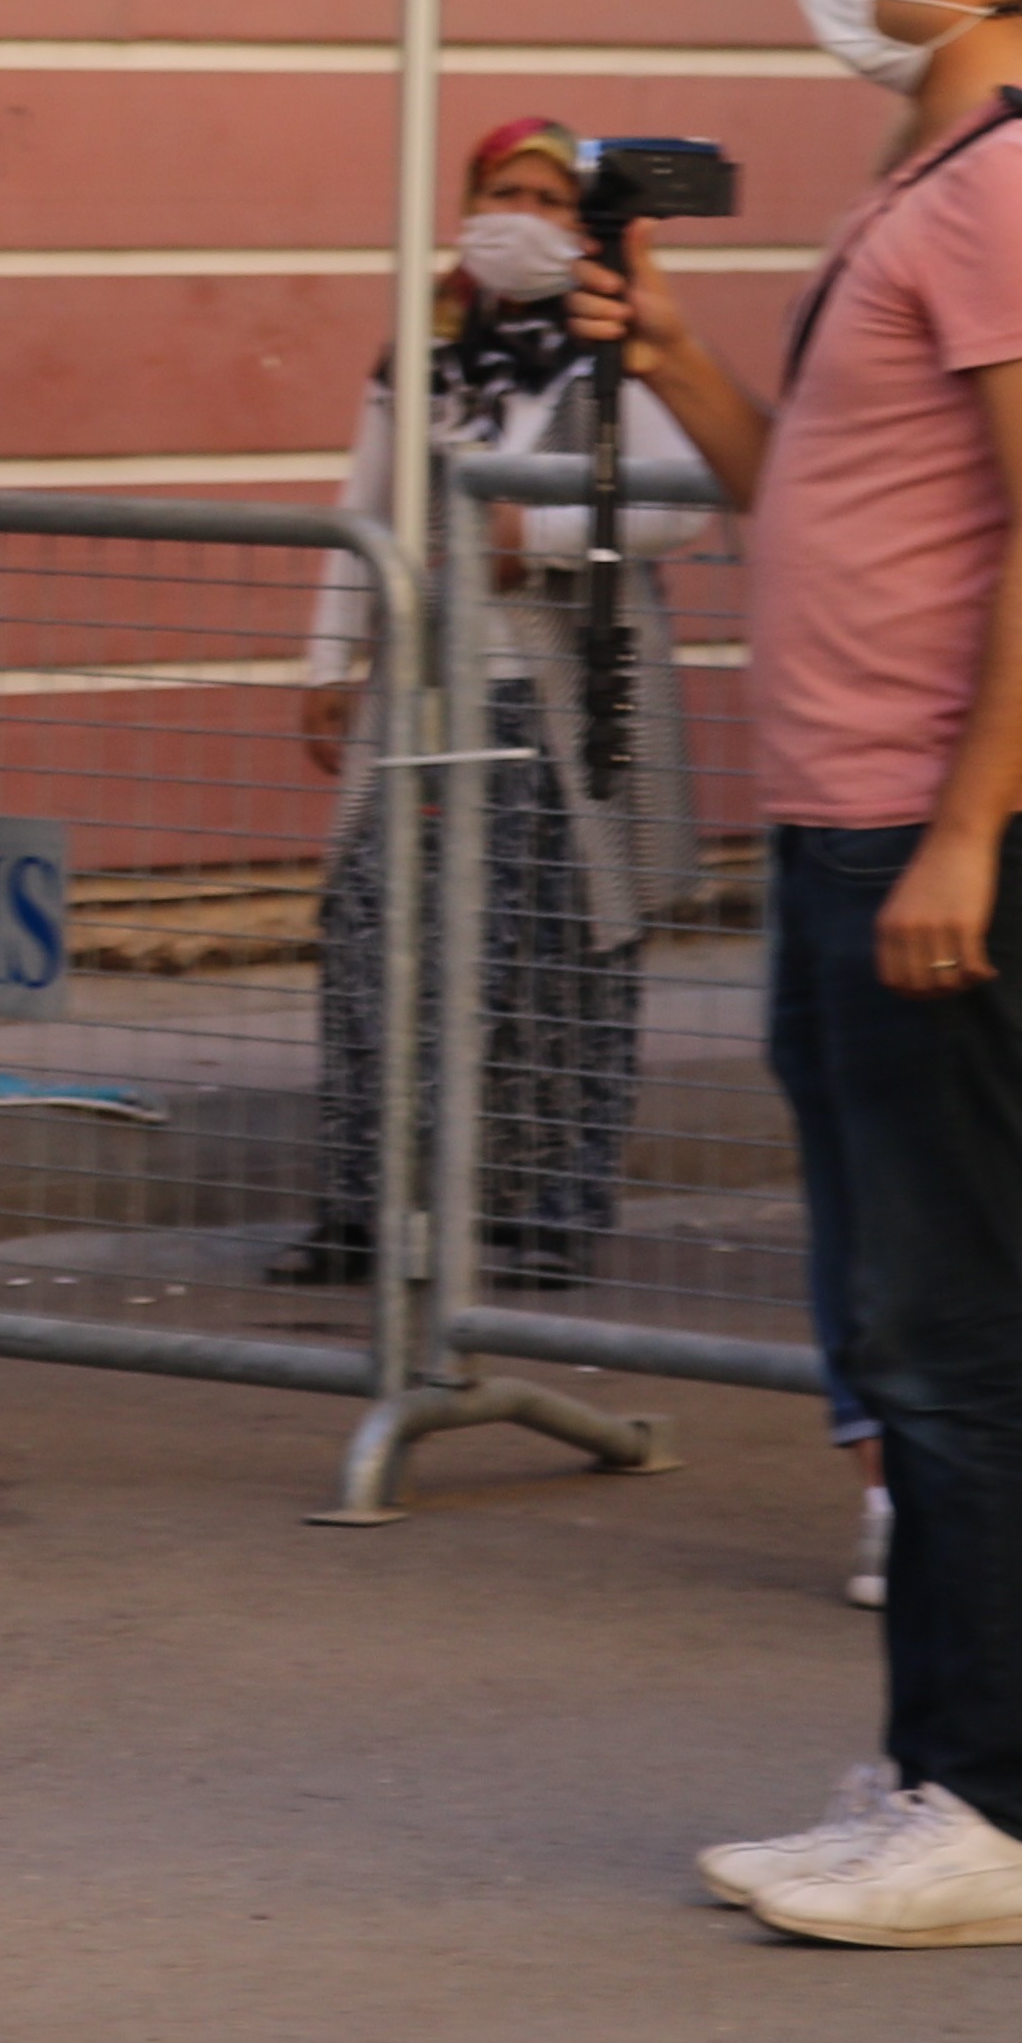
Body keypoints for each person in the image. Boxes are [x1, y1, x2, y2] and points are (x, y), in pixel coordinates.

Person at [598, 0, 1022, 1947]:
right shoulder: (925, 178)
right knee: (904, 1321)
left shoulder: (1015, 184)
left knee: (947, 1330)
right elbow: (831, 500)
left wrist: (970, 817)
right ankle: (937, 1762)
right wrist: (676, 347)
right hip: (841, 819)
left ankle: (1013, 1808)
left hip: (929, 832)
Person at [279, 118, 716, 1294]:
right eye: (499, 191)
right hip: (426, 701)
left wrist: (545, 532)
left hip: (567, 710)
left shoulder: (611, 343)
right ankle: (366, 1205)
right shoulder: (423, 345)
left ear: (583, 225)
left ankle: (548, 1213)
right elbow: (365, 501)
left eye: (545, 196)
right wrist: (330, 660)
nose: (519, 213)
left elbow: (683, 502)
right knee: (376, 942)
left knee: (560, 966)